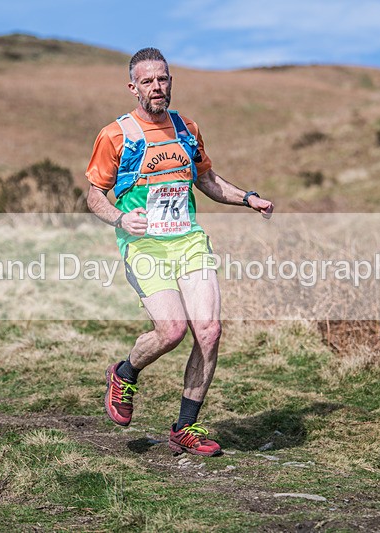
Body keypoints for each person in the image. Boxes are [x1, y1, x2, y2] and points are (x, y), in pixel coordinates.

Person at [85, 47, 274, 456]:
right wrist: (120, 219)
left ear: (171, 81)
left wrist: (247, 198)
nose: (157, 87)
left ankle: (185, 428)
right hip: (145, 245)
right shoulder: (115, 135)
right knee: (171, 331)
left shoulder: (187, 128)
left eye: (163, 78)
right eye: (148, 81)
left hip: (188, 240)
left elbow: (206, 180)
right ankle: (124, 373)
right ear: (133, 87)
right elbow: (94, 197)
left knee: (209, 331)